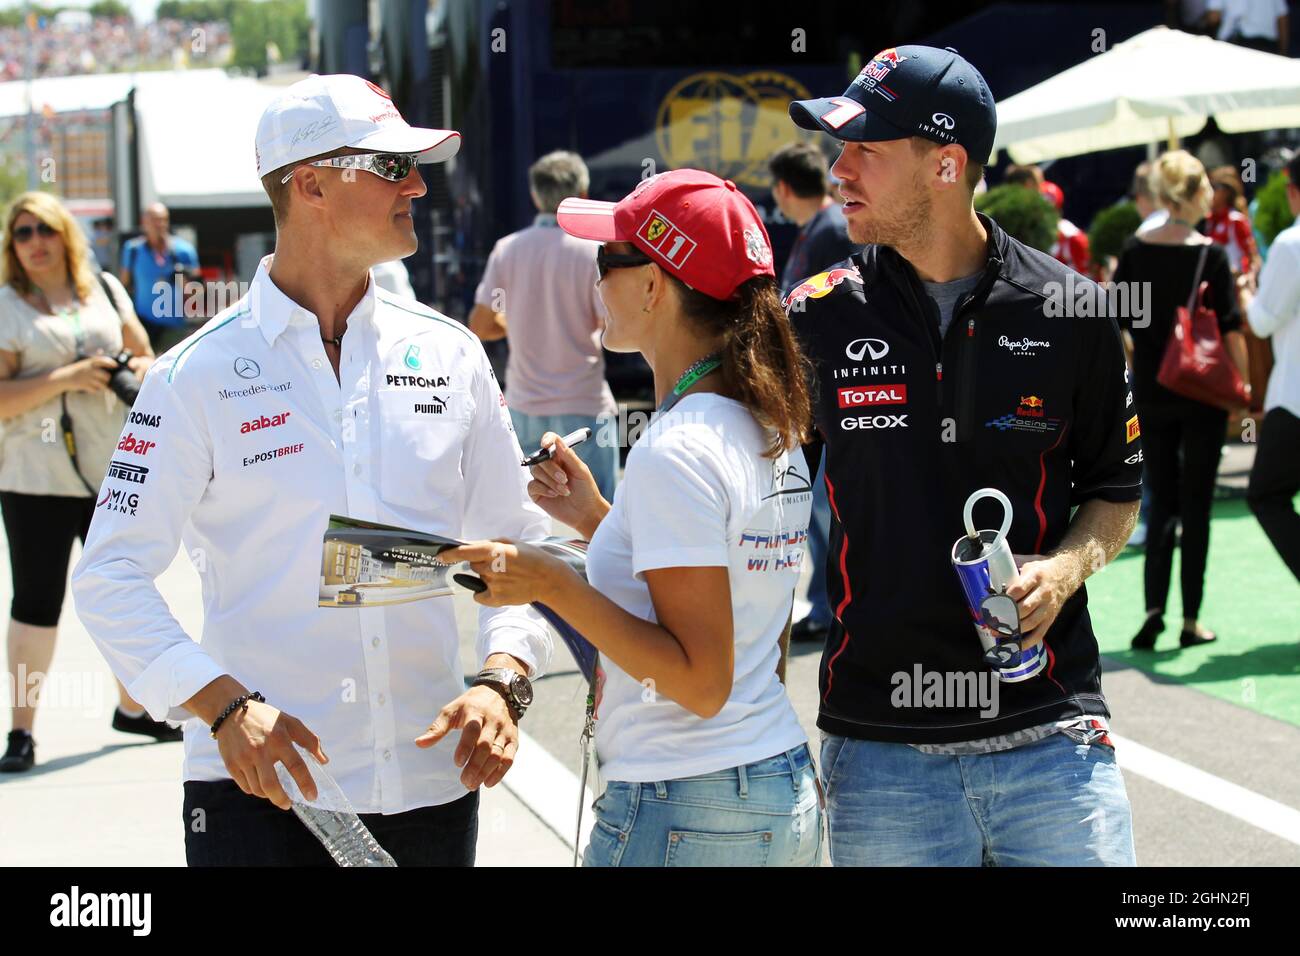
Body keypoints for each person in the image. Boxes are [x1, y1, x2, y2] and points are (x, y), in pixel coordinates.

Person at [72, 74, 554, 866]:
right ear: (311, 183)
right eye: (394, 167)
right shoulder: (193, 373)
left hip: (431, 788)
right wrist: (225, 709)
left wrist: (504, 678)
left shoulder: (450, 352)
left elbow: (516, 543)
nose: (419, 185)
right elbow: (110, 573)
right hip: (259, 792)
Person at [786, 45, 1140, 866]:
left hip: (1051, 735)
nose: (840, 170)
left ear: (946, 165)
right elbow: (747, 506)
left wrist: (1068, 567)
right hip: (880, 751)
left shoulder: (1072, 310)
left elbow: (1117, 492)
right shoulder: (814, 317)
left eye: (864, 149)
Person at [442, 169, 822, 867]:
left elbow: (701, 681)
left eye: (607, 262)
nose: (595, 282)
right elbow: (736, 607)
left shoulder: (677, 446)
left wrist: (552, 584)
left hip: (685, 801)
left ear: (655, 287)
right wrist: (597, 520)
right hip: (771, 784)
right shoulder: (763, 426)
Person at [0, 191, 165, 773]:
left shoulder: (105, 288)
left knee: (124, 591)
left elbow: (148, 361)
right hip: (35, 478)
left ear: (64, 234)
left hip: (111, 471)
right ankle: (21, 731)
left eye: (43, 229)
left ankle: (135, 709)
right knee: (36, 604)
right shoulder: (7, 306)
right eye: (21, 233)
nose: (34, 243)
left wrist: (125, 369)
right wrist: (66, 377)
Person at [1113, 150, 1251, 650]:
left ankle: (1153, 612)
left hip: (1152, 389)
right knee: (1196, 505)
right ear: (1193, 193)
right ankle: (1192, 620)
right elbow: (1231, 326)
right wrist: (1245, 386)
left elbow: (1120, 321)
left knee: (1161, 502)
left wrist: (1139, 359)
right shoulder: (1209, 253)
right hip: (1203, 391)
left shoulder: (1135, 249)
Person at [468, 151, 619, 502]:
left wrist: (518, 322)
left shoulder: (507, 250)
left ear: (535, 196)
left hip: (523, 406)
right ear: (582, 194)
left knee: (531, 521)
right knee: (601, 523)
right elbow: (613, 324)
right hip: (584, 404)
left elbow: (481, 323)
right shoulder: (593, 251)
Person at [768, 141, 861, 643]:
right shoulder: (822, 228)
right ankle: (827, 605)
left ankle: (833, 607)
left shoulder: (827, 231)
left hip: (827, 398)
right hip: (815, 397)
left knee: (825, 510)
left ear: (784, 188)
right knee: (819, 512)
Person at [1241, 151, 1300, 581]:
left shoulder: (1290, 243)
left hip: (1294, 396)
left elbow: (1262, 321)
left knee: (1266, 494)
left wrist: (1247, 292)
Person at [118, 202, 199, 354]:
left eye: (163, 219)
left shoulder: (183, 251)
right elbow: (124, 284)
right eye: (154, 220)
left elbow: (196, 292)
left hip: (174, 325)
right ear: (144, 222)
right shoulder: (133, 250)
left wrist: (182, 279)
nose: (159, 224)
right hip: (144, 323)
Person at [1208, 166, 1261, 278]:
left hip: (1233, 286)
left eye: (1214, 187)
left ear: (1226, 192)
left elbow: (1253, 257)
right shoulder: (1207, 221)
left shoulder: (1236, 221)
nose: (1210, 191)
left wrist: (1244, 278)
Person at [1206, 0, 1289, 54]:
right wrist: (1283, 50)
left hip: (1238, 42)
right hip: (1268, 45)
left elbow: (1213, 17)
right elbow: (1282, 18)